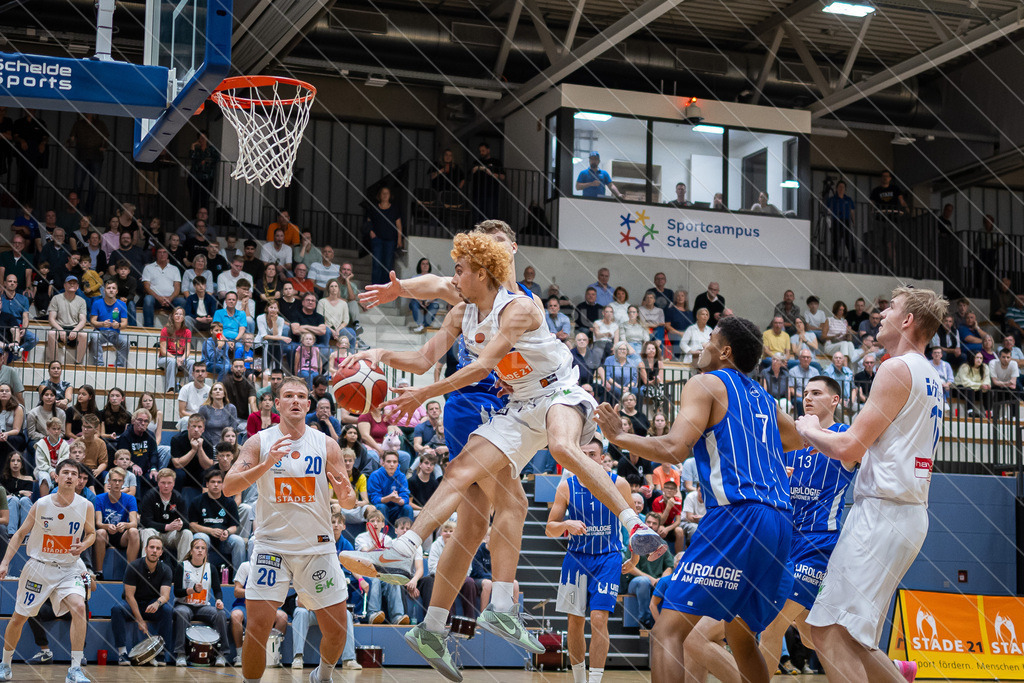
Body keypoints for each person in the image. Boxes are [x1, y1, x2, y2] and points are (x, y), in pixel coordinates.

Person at [340, 231, 664, 671]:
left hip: (557, 393)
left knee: (556, 454)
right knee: (464, 479)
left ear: (488, 265)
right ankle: (409, 549)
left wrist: (425, 394)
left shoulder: (519, 306)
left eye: (462, 268)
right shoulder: (462, 303)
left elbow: (480, 366)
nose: (454, 276)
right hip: (513, 406)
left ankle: (632, 522)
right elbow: (425, 340)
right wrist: (379, 349)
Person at [594, 315, 804, 683]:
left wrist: (620, 438)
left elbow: (675, 449)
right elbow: (797, 440)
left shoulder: (705, 383)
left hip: (737, 516)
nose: (699, 347)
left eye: (708, 341)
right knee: (740, 636)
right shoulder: (765, 399)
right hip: (780, 524)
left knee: (667, 632)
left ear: (724, 352)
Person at [796, 286, 947, 683]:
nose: (882, 314)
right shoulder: (931, 376)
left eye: (891, 308)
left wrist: (809, 429)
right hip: (906, 513)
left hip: (883, 512)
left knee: (828, 632)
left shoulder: (896, 368)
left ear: (908, 320)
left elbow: (848, 447)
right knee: (857, 639)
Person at [223, 377, 354, 683]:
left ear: (308, 405)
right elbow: (229, 486)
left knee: (337, 629)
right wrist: (266, 464)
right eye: (288, 396)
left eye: (301, 396)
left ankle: (322, 675)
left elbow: (348, 501)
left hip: (317, 548)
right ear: (277, 404)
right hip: (272, 547)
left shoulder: (326, 444)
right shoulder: (259, 442)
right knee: (256, 628)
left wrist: (345, 491)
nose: (295, 401)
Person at [759, 376, 856, 675]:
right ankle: (888, 669)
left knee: (773, 623)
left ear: (835, 400)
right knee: (810, 634)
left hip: (818, 543)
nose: (808, 398)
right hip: (786, 539)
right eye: (805, 393)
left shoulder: (845, 436)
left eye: (816, 393)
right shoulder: (792, 437)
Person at [546, 437, 633, 683]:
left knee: (598, 618)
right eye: (582, 453)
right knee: (574, 622)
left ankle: (594, 680)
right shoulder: (566, 487)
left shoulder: (620, 484)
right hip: (576, 560)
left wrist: (635, 557)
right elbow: (549, 529)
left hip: (608, 558)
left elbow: (633, 524)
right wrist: (565, 523)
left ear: (602, 456)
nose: (587, 458)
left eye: (592, 454)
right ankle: (578, 679)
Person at [0, 459, 95, 683]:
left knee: (80, 607)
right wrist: (4, 563)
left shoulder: (86, 506)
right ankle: (5, 664)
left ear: (79, 480)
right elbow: (20, 533)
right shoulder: (42, 504)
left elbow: (91, 532)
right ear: (57, 476)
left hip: (70, 568)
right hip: (39, 567)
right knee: (18, 618)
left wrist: (84, 544)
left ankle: (74, 670)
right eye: (66, 473)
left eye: (75, 473)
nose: (70, 476)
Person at [109, 535, 175, 665]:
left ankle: (160, 652)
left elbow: (165, 595)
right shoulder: (133, 566)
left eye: (158, 548)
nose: (154, 551)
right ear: (146, 549)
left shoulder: (166, 569)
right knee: (116, 609)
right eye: (152, 547)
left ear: (161, 552)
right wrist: (139, 620)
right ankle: (122, 653)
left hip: (152, 604)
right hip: (133, 603)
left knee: (167, 610)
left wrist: (158, 603)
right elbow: (129, 596)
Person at [171, 537, 229, 667]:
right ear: (191, 551)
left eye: (203, 548)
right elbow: (177, 592)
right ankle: (180, 654)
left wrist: (219, 600)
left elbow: (217, 590)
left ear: (206, 553)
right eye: (197, 548)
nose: (200, 551)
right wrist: (192, 590)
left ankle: (221, 654)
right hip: (184, 605)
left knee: (221, 614)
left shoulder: (211, 568)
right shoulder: (182, 566)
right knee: (181, 613)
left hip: (203, 607)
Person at [189, 469, 245, 572]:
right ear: (207, 484)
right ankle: (202, 574)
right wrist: (210, 531)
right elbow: (192, 526)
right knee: (200, 537)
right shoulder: (197, 501)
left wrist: (227, 532)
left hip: (224, 540)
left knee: (239, 541)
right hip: (206, 537)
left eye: (219, 482)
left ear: (223, 485)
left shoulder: (230, 502)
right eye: (213, 482)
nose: (216, 485)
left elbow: (234, 526)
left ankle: (238, 579)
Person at [93, 467, 141, 575]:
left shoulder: (130, 499)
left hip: (122, 534)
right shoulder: (99, 498)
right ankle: (99, 572)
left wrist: (125, 525)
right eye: (114, 480)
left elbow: (134, 523)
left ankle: (130, 571)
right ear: (109, 482)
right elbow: (98, 523)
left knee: (133, 531)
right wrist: (107, 526)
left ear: (123, 483)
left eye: (120, 481)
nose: (117, 483)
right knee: (100, 532)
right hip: (106, 535)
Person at [139, 468, 194, 562]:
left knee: (187, 533)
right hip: (155, 533)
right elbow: (145, 521)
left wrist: (180, 524)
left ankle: (184, 569)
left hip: (171, 535)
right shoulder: (150, 496)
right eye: (163, 483)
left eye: (169, 483)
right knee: (147, 531)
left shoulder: (178, 498)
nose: (166, 486)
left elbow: (186, 522)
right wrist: (166, 526)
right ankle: (147, 566)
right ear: (157, 482)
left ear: (174, 483)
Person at [46, 276, 88, 364]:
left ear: (77, 287)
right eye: (69, 283)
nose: (72, 284)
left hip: (74, 327)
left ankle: (78, 362)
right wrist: (60, 330)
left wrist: (75, 330)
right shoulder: (56, 298)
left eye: (74, 283)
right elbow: (51, 319)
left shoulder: (81, 301)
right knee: (51, 333)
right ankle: (55, 363)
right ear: (64, 285)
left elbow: (83, 320)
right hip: (59, 327)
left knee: (84, 335)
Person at [367, 187, 403, 286]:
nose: (385, 195)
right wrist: (371, 231)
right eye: (383, 193)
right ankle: (374, 286)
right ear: (379, 195)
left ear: (390, 195)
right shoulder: (374, 208)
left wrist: (399, 239)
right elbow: (369, 221)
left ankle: (385, 287)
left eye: (387, 193)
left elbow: (398, 225)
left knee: (387, 264)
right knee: (377, 264)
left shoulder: (394, 209)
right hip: (377, 239)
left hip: (390, 240)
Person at [88, 279, 129, 367]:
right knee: (94, 336)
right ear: (104, 290)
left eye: (113, 288)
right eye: (108, 288)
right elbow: (92, 321)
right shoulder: (97, 303)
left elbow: (125, 323)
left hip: (115, 333)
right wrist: (102, 324)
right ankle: (98, 364)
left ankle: (119, 366)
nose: (111, 290)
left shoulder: (122, 304)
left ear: (117, 291)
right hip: (100, 332)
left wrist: (118, 325)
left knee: (126, 341)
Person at [141, 247, 184, 328]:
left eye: (164, 252)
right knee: (148, 299)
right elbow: (146, 287)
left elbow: (177, 288)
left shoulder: (174, 269)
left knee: (182, 301)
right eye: (160, 252)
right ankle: (149, 328)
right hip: (155, 299)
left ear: (168, 255)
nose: (162, 254)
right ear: (156, 254)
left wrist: (170, 298)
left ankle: (178, 329)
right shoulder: (148, 268)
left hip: (170, 299)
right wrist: (159, 298)